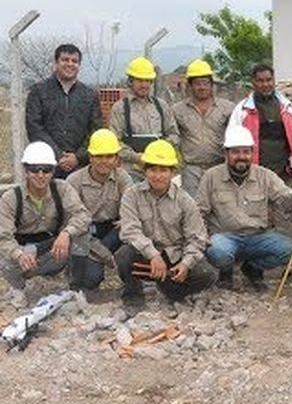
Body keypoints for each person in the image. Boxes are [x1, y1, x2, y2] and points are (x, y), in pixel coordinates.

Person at [116, 139, 217, 310]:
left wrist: (186, 263)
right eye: (153, 169)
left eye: (163, 170)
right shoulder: (131, 195)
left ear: (172, 172)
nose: (158, 175)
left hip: (174, 255)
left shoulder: (185, 201)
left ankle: (171, 289)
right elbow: (130, 231)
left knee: (207, 274)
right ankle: (133, 296)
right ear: (145, 171)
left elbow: (197, 237)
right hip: (146, 257)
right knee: (123, 255)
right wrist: (153, 255)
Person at [199, 126, 292, 292]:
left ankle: (252, 268)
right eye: (235, 152)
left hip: (258, 237)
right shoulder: (211, 177)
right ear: (226, 154)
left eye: (246, 152)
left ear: (252, 153)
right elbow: (199, 211)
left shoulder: (265, 176)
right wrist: (202, 238)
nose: (241, 157)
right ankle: (226, 271)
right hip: (225, 237)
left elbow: (286, 198)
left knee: (290, 250)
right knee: (216, 250)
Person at [0, 141, 98, 303]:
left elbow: (83, 216)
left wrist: (66, 233)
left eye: (46, 169)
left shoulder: (62, 189)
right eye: (34, 169)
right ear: (26, 170)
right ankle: (20, 291)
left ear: (53, 171)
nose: (40, 175)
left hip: (52, 250)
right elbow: (3, 237)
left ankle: (76, 290)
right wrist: (18, 255)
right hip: (23, 253)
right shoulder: (10, 198)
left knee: (81, 236)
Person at [66, 129, 134, 285]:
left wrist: (127, 219)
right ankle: (83, 265)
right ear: (90, 158)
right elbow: (70, 219)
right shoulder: (74, 181)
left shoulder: (122, 177)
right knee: (89, 280)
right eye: (99, 156)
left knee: (130, 228)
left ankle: (123, 273)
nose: (104, 161)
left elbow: (132, 208)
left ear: (117, 159)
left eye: (109, 156)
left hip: (112, 230)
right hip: (85, 231)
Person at [25, 44, 102, 179]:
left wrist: (78, 157)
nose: (70, 64)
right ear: (56, 63)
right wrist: (58, 155)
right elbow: (34, 127)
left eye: (74, 61)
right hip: (46, 167)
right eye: (65, 60)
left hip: (81, 168)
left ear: (79, 65)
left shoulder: (89, 95)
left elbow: (96, 130)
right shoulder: (38, 91)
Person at [228, 64, 292, 182]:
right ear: (253, 82)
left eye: (269, 80)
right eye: (260, 81)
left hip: (284, 174)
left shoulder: (288, 108)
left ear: (274, 80)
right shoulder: (242, 110)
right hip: (253, 175)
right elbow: (232, 142)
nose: (265, 84)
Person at [109, 57, 179, 182]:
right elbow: (114, 142)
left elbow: (174, 134)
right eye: (140, 80)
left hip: (159, 171)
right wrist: (137, 157)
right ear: (130, 81)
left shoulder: (162, 106)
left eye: (147, 80)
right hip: (132, 171)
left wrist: (160, 150)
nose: (144, 85)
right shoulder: (120, 108)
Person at [172, 59, 235, 197]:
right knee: (193, 208)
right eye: (197, 83)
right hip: (191, 169)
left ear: (212, 85)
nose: (202, 87)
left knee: (220, 205)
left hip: (219, 167)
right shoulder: (177, 110)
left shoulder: (228, 108)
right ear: (190, 86)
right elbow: (172, 136)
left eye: (206, 83)